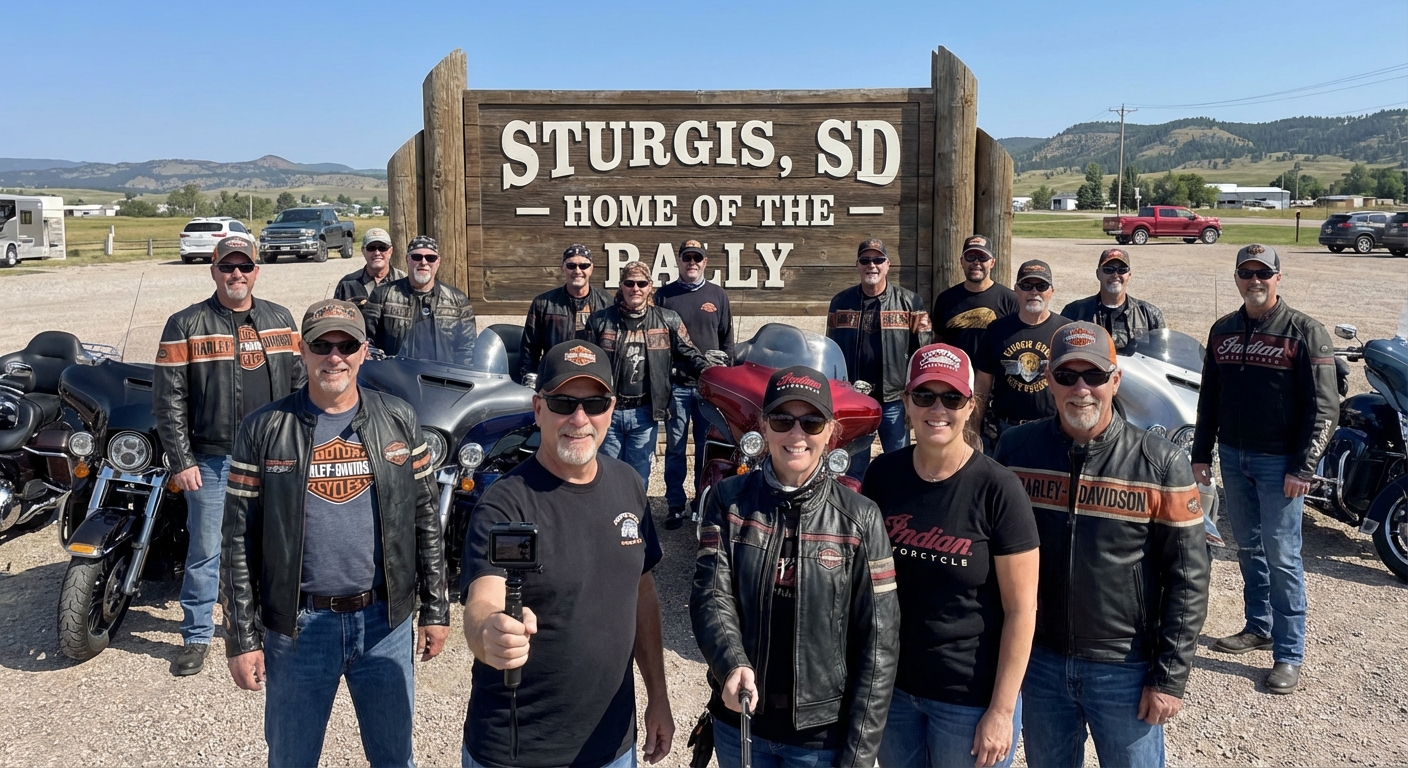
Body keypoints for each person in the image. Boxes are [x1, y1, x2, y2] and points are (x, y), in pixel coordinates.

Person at [220, 299, 450, 767]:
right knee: (291, 759)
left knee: (394, 759)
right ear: (301, 351)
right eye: (322, 345)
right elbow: (237, 538)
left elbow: (426, 518)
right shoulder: (263, 428)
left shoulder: (400, 419)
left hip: (384, 622)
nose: (334, 356)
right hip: (298, 629)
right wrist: (241, 638)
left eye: (346, 345)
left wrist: (436, 608)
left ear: (364, 351)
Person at [995, 322, 1210, 768]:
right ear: (1048, 380)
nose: (1081, 389)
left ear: (1115, 380)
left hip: (1124, 667)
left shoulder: (1161, 462)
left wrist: (1169, 678)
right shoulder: (1016, 450)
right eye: (1067, 376)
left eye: (1093, 376)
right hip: (1041, 663)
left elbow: (1188, 578)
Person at [462, 340, 674, 767]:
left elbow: (642, 594)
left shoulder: (629, 486)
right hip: (519, 751)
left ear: (611, 410)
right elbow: (482, 599)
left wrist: (658, 696)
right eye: (563, 402)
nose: (579, 419)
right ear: (539, 408)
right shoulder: (507, 503)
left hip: (613, 746)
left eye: (594, 403)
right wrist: (488, 634)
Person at [691, 365, 900, 767]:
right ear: (764, 427)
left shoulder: (862, 517)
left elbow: (879, 642)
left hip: (819, 738)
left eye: (812, 421)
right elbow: (711, 596)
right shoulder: (728, 501)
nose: (797, 434)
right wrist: (732, 662)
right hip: (741, 725)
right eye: (783, 420)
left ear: (831, 431)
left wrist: (859, 754)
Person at [862, 343, 1039, 768]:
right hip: (893, 689)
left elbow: (1022, 609)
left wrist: (1001, 710)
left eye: (951, 397)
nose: (936, 408)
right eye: (924, 396)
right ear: (906, 402)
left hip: (967, 700)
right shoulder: (883, 475)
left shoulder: (998, 488)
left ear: (970, 405)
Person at [154, 235, 305, 677]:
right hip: (212, 460)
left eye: (244, 266)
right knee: (207, 549)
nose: (236, 274)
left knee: (274, 543)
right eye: (227, 267)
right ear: (213, 270)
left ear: (257, 270)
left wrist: (299, 446)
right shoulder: (185, 324)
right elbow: (169, 401)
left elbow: (300, 386)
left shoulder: (280, 319)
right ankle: (197, 634)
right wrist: (182, 460)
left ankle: (265, 627)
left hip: (274, 456)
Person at [1191, 243, 1338, 695]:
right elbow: (1209, 398)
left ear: (1278, 277)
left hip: (1281, 465)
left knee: (1284, 554)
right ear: (1236, 277)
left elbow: (1326, 407)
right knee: (1249, 548)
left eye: (1263, 273)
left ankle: (1288, 654)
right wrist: (1201, 453)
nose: (1255, 280)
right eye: (1246, 273)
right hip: (1234, 456)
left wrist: (1304, 466)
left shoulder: (1305, 333)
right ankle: (1259, 625)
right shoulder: (1223, 330)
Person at [580, 260, 714, 486]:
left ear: (650, 286)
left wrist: (713, 372)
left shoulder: (667, 319)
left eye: (641, 283)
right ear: (621, 285)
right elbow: (586, 364)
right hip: (607, 412)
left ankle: (634, 521)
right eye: (629, 282)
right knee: (604, 474)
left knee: (638, 478)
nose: (635, 288)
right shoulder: (600, 321)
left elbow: (689, 353)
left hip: (644, 413)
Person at [826, 237, 933, 478]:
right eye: (866, 260)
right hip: (854, 399)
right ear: (857, 265)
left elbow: (922, 355)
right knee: (853, 467)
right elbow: (830, 350)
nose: (871, 265)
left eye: (878, 259)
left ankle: (897, 513)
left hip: (894, 399)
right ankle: (855, 511)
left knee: (901, 465)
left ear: (888, 264)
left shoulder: (910, 302)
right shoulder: (840, 302)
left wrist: (914, 398)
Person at [655, 239, 734, 529]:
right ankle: (675, 505)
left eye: (697, 258)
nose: (692, 262)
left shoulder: (718, 295)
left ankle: (702, 502)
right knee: (675, 447)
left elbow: (727, 341)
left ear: (705, 262)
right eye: (687, 257)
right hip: (676, 385)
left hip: (709, 387)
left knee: (706, 447)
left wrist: (728, 378)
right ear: (678, 260)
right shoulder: (664, 295)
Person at [972, 260, 1069, 449]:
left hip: (1053, 429)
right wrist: (973, 428)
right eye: (1026, 285)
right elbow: (982, 385)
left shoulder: (1066, 331)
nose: (1034, 291)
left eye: (1041, 286)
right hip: (1006, 430)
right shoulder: (996, 330)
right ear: (1016, 290)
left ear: (1051, 291)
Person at [363, 235, 477, 364]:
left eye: (430, 258)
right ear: (407, 259)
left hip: (443, 379)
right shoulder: (382, 294)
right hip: (395, 378)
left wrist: (458, 379)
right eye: (417, 257)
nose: (423, 262)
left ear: (438, 262)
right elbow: (366, 340)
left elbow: (468, 349)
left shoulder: (459, 301)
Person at [518, 243, 611, 388]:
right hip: (553, 381)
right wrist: (529, 383)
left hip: (592, 381)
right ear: (563, 268)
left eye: (584, 266)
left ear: (592, 268)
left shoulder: (607, 303)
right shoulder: (542, 303)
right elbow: (529, 349)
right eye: (571, 266)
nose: (578, 271)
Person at [1059, 248, 1166, 352]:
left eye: (1122, 270)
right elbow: (1060, 352)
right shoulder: (1074, 312)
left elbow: (1162, 356)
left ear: (1129, 275)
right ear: (1098, 274)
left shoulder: (1150, 314)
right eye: (1108, 270)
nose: (1115, 275)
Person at [931, 234, 1019, 360]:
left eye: (983, 257)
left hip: (993, 376)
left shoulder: (1010, 299)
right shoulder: (945, 298)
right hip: (957, 375)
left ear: (992, 262)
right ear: (962, 261)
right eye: (970, 257)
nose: (976, 262)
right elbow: (939, 341)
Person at [334, 228, 406, 308]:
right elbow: (337, 316)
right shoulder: (347, 284)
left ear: (390, 251)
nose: (377, 253)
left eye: (382, 248)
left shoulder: (405, 282)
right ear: (363, 251)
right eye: (371, 248)